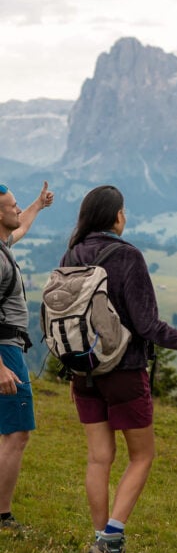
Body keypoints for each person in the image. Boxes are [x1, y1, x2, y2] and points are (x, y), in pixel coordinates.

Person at [63, 185, 177, 553]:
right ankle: (110, 542)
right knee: (142, 455)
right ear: (117, 216)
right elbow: (148, 325)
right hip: (123, 370)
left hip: (84, 370)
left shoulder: (72, 253)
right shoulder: (127, 256)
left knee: (98, 458)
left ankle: (101, 539)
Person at [0, 181, 54, 530]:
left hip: (8, 347)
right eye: (13, 206)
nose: (18, 210)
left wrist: (38, 204)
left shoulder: (3, 245)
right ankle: (2, 516)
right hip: (5, 350)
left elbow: (21, 227)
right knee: (17, 433)